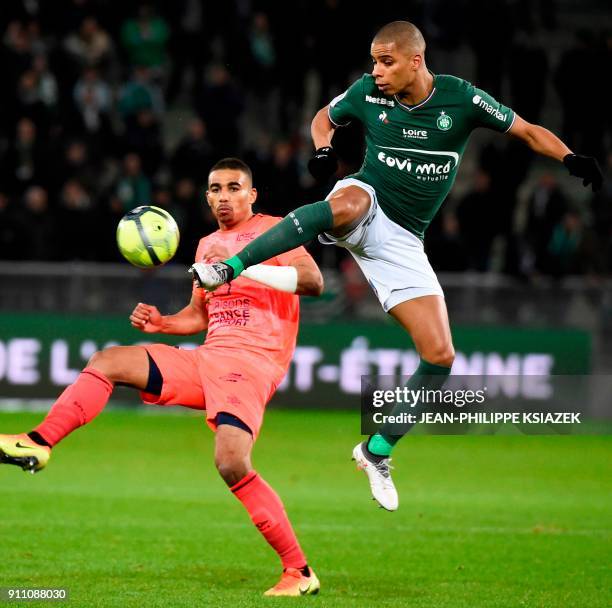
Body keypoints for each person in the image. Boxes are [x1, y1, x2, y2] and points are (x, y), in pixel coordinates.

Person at [190, 21, 604, 512]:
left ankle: (376, 449)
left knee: (441, 356)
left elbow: (528, 131)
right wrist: (323, 150)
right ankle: (229, 267)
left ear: (415, 60)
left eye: (386, 61)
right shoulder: (368, 93)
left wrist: (571, 156)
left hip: (404, 240)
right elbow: (324, 116)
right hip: (366, 198)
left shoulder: (462, 100)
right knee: (348, 203)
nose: (376, 71)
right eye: (373, 61)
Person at [0, 158, 323, 597]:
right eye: (215, 189)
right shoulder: (207, 243)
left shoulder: (278, 229)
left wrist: (242, 265)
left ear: (252, 194)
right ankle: (37, 442)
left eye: (233, 187)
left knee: (231, 462)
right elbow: (199, 315)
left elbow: (312, 280)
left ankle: (299, 573)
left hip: (252, 363)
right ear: (207, 196)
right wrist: (162, 323)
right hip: (210, 356)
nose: (224, 197)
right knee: (108, 360)